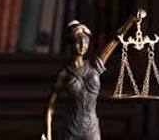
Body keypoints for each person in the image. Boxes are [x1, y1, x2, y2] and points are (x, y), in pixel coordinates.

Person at [40, 8, 146, 140]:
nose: (83, 45)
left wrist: (131, 20)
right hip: (71, 127)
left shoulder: (94, 65)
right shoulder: (65, 73)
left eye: (85, 40)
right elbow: (50, 106)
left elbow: (115, 40)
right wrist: (48, 134)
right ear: (71, 42)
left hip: (91, 127)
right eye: (78, 40)